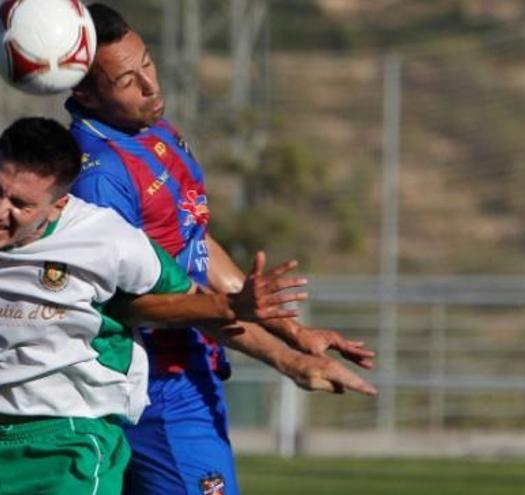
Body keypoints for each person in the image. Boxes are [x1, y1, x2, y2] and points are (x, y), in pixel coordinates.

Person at [0, 117, 374, 495]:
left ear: (59, 205)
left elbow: (193, 307)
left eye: (20, 204)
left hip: (63, 442)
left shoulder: (107, 239)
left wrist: (289, 356)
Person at [67, 4, 377, 494]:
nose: (151, 84)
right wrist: (287, 361)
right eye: (128, 80)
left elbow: (196, 245)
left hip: (193, 369)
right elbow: (141, 305)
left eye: (147, 62)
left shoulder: (155, 133)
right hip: (156, 389)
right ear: (84, 92)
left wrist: (294, 331)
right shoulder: (101, 179)